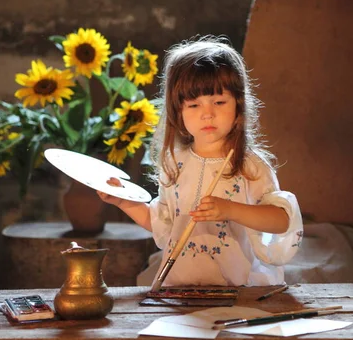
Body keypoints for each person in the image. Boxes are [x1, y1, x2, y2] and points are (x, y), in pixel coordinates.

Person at [98, 36, 303, 286]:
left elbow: (281, 220)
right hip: (180, 288)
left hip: (237, 290)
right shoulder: (175, 163)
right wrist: (122, 200)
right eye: (193, 104)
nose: (207, 113)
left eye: (219, 102)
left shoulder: (249, 165)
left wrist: (230, 209)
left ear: (238, 105)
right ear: (177, 111)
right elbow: (162, 223)